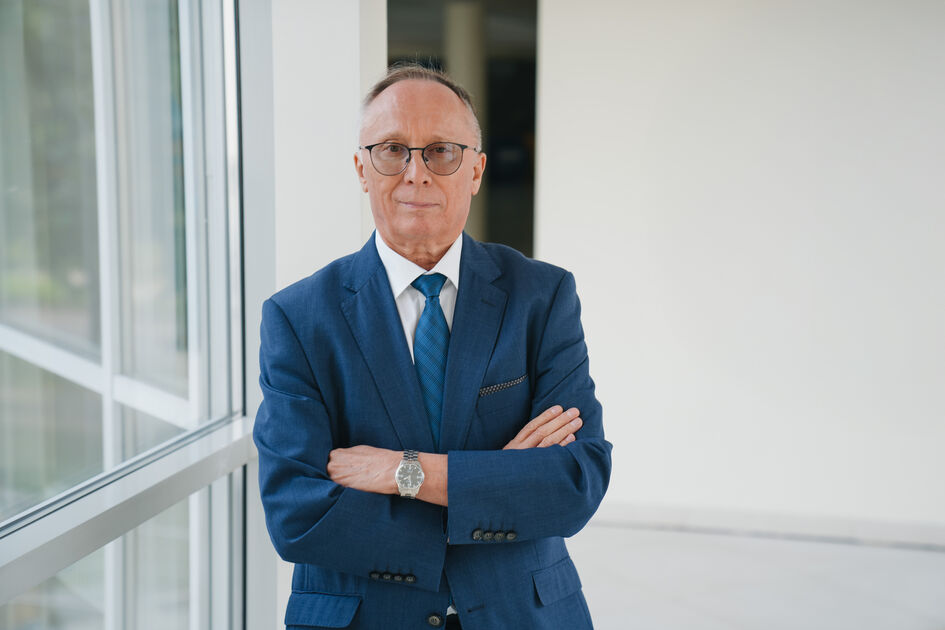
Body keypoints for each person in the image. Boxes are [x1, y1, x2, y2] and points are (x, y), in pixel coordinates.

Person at [253, 64, 612, 630]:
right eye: (392, 150)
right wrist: (494, 486)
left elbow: (574, 482)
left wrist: (405, 473)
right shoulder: (298, 318)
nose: (416, 173)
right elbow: (296, 515)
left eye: (441, 151)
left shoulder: (542, 297)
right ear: (361, 169)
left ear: (476, 170)